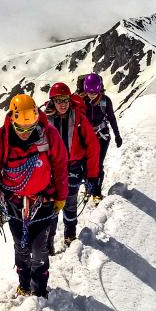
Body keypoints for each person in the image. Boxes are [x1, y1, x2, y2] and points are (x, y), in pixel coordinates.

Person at [0, 93, 68, 298]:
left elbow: (60, 166)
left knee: (39, 250)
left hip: (43, 201)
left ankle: (39, 289)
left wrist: (61, 196)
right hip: (14, 203)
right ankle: (24, 284)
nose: (25, 133)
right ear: (12, 119)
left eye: (29, 128)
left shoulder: (48, 134)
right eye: (20, 128)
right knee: (21, 247)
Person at [41, 82, 100, 250]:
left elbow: (93, 145)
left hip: (73, 167)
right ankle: (48, 243)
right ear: (52, 101)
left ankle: (70, 235)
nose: (63, 104)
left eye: (65, 100)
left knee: (70, 203)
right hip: (52, 171)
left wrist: (92, 175)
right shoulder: (45, 120)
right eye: (59, 100)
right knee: (51, 207)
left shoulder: (79, 117)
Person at [79, 73, 122, 187]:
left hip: (101, 135)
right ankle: (89, 183)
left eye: (94, 92)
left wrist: (117, 135)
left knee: (98, 164)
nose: (91, 95)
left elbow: (111, 118)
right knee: (85, 163)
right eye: (89, 92)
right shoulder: (81, 100)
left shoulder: (105, 101)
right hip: (86, 135)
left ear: (99, 89)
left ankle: (96, 191)